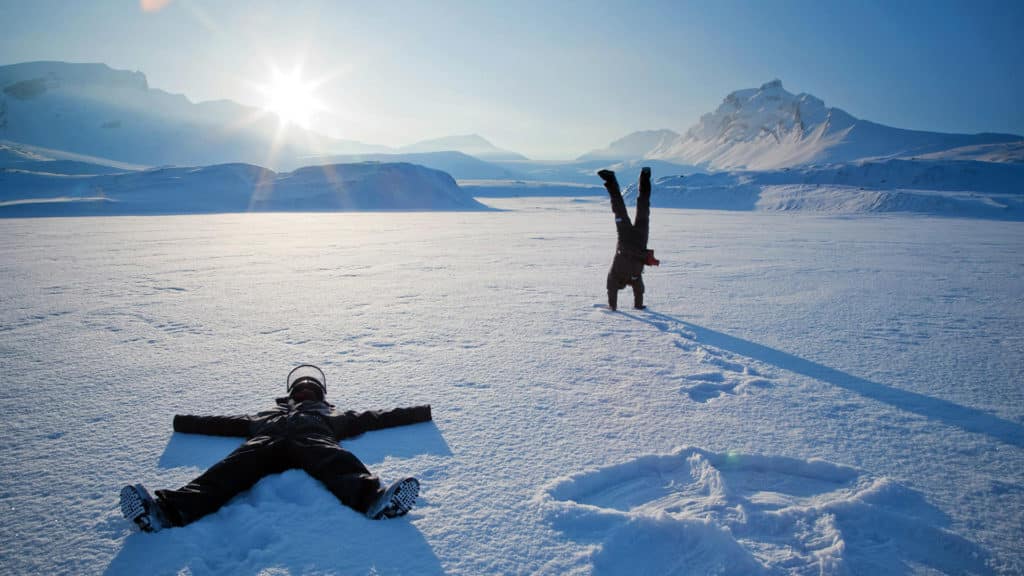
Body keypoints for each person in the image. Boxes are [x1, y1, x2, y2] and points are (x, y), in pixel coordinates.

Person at [120, 364, 432, 532]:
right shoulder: (264, 416)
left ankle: (375, 501)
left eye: (311, 388)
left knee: (336, 459)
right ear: (291, 395)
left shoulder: (334, 416)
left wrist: (422, 412)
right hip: (265, 442)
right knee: (229, 469)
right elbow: (224, 424)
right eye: (302, 388)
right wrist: (183, 422)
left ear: (321, 395)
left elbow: (377, 418)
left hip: (312, 441)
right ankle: (166, 512)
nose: (306, 391)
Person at [598, 167, 659, 311]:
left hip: (636, 237)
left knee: (639, 207)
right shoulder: (631, 278)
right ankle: (642, 177)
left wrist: (614, 307)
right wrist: (637, 306)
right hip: (629, 236)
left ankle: (619, 178)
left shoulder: (624, 277)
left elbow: (637, 292)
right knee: (626, 208)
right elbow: (636, 292)